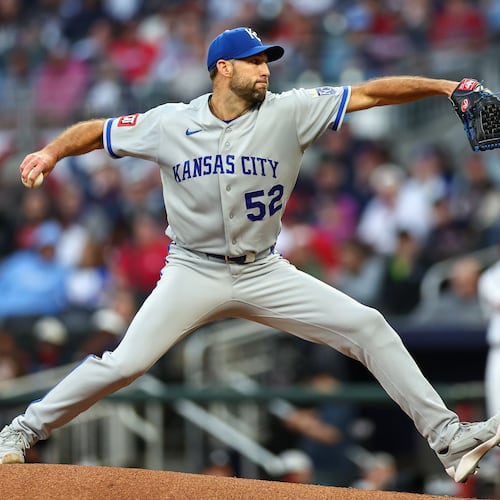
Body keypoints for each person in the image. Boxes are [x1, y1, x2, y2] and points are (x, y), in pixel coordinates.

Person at [1, 26, 499, 484]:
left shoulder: (291, 110)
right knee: (124, 365)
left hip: (263, 269)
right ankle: (22, 430)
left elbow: (370, 92)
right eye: (254, 61)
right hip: (192, 268)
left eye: (267, 61)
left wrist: (443, 86)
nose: (265, 69)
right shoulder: (169, 122)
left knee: (367, 325)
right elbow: (97, 130)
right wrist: (51, 153)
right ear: (223, 68)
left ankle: (448, 438)